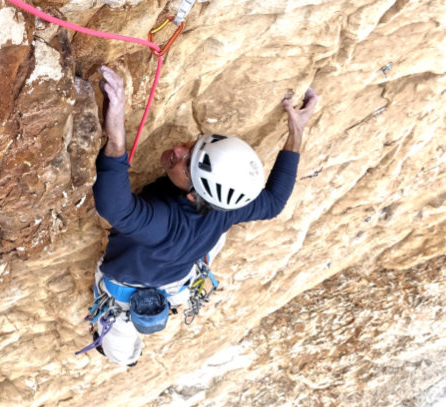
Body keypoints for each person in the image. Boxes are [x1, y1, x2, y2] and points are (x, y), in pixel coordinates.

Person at [88, 66, 320, 366]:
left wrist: (116, 135)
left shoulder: (162, 224)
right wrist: (296, 130)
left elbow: (115, 207)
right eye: (192, 146)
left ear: (193, 195)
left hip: (130, 285)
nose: (178, 149)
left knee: (119, 351)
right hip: (183, 272)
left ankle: (125, 358)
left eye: (186, 163)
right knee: (217, 234)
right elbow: (274, 202)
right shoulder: (228, 205)